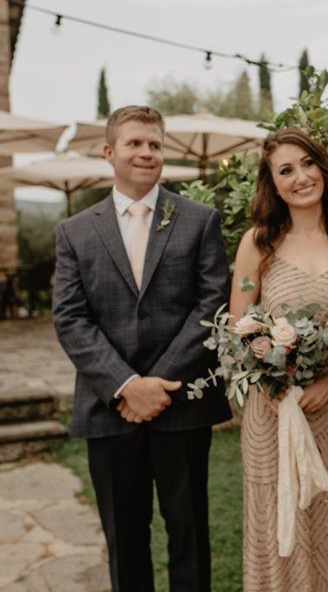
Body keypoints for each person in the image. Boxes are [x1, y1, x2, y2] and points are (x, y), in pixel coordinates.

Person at [53, 105, 231, 592]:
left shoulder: (198, 219)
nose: (146, 152)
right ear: (110, 152)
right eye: (134, 143)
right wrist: (127, 386)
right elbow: (69, 318)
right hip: (109, 408)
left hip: (181, 404)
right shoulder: (75, 231)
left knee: (188, 532)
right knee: (125, 537)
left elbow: (213, 303)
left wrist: (158, 384)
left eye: (154, 144)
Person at [230, 127, 328, 591]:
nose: (301, 177)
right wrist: (275, 384)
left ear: (323, 167)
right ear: (272, 184)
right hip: (276, 415)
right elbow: (240, 332)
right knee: (283, 529)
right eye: (286, 170)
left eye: (308, 163)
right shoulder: (257, 244)